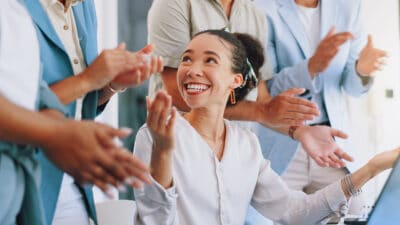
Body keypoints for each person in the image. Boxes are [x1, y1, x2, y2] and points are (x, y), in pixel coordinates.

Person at [133, 29, 399, 225]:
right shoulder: (154, 137)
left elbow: (295, 212)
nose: (191, 69)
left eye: (209, 60)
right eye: (187, 59)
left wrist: (372, 168)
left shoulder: (245, 145)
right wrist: (163, 153)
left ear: (235, 80)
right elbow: (154, 221)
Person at [0, 1, 150, 225]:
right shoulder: (19, 9)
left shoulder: (82, 8)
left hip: (64, 181)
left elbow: (40, 97)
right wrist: (57, 133)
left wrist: (109, 85)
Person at [253, 0, 388, 219]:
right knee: (276, 217)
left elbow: (351, 87)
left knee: (354, 210)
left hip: (331, 142)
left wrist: (362, 70)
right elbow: (267, 89)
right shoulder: (262, 8)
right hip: (282, 138)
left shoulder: (348, 7)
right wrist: (310, 67)